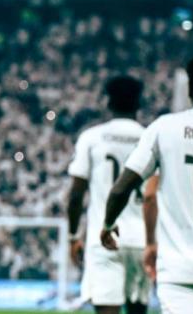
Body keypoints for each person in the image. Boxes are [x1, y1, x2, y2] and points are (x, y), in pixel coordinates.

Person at [102, 51, 193, 314]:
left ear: (191, 89)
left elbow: (122, 188)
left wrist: (108, 224)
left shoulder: (165, 128)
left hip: (180, 271)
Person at [66, 76, 150, 314]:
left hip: (103, 236)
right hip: (141, 238)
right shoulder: (150, 137)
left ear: (108, 102)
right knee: (138, 310)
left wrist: (73, 236)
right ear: (139, 103)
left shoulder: (92, 137)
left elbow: (76, 194)